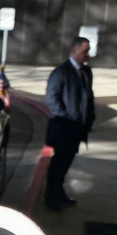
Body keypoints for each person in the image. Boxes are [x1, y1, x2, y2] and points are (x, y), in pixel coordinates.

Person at [43, 36, 96, 211]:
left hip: (77, 130)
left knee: (65, 164)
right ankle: (51, 197)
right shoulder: (61, 73)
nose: (87, 55)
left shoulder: (86, 73)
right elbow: (52, 99)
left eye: (88, 51)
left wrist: (89, 118)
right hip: (63, 128)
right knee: (57, 164)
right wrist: (66, 118)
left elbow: (88, 97)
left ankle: (59, 193)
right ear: (74, 51)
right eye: (85, 51)